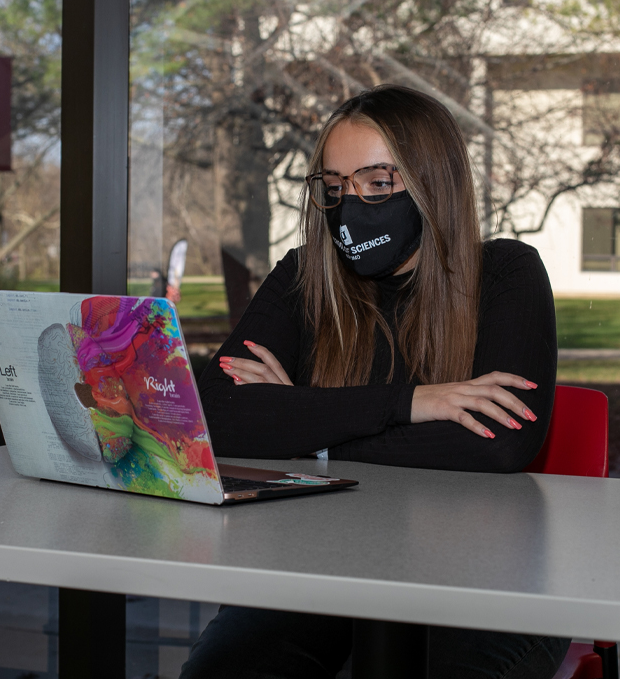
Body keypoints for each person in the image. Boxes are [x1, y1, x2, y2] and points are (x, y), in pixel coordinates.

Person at [180, 85, 570, 679]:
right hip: (324, 560)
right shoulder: (304, 277)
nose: (350, 204)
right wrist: (411, 403)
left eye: (378, 183)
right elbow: (216, 416)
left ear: (429, 183)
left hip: (483, 574)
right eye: (334, 187)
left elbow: (500, 442)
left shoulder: (506, 273)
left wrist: (299, 424)